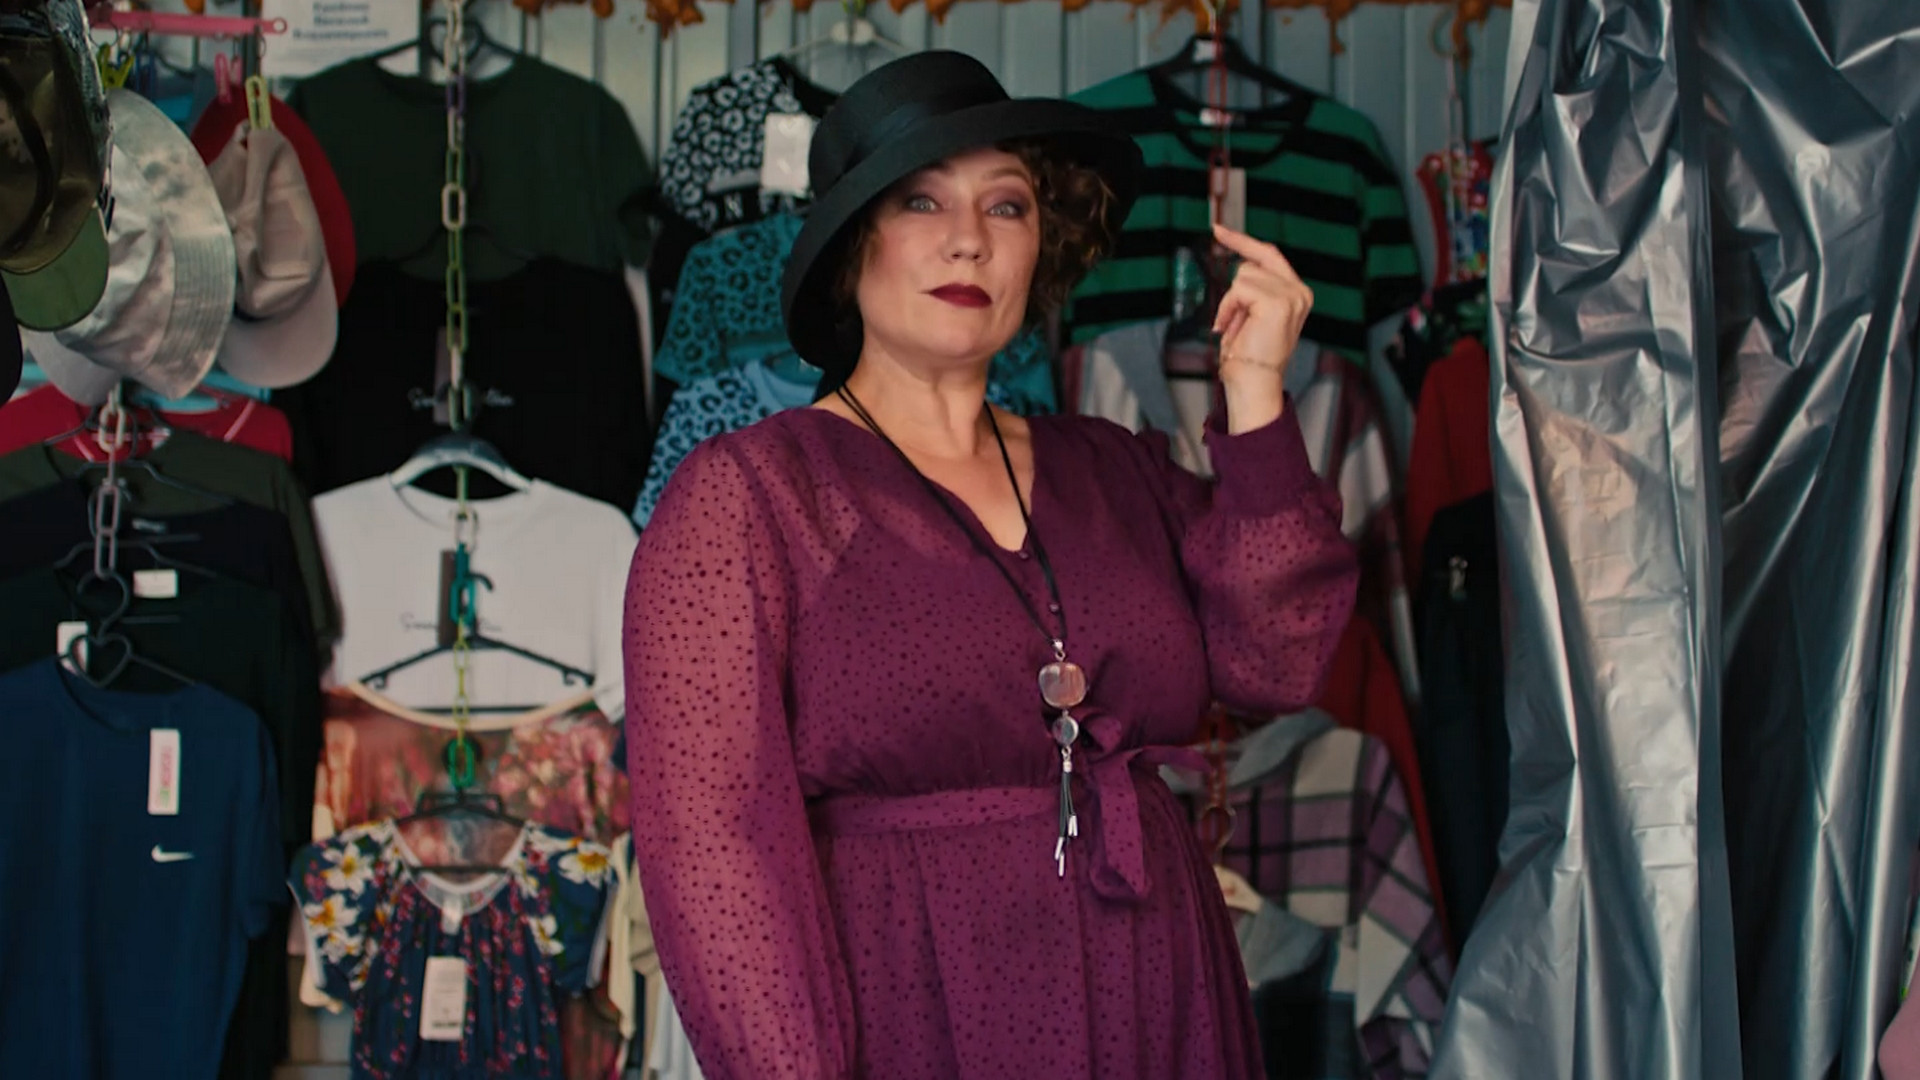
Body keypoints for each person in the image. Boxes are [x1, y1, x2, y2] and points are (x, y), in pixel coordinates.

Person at [623, 50, 1360, 1080]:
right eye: (921, 201)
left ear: (1040, 247)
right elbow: (716, 855)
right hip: (912, 1002)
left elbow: (1274, 662)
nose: (968, 237)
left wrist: (1256, 394)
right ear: (851, 246)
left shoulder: (1117, 467)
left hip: (1158, 987)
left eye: (1006, 206)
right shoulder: (749, 497)